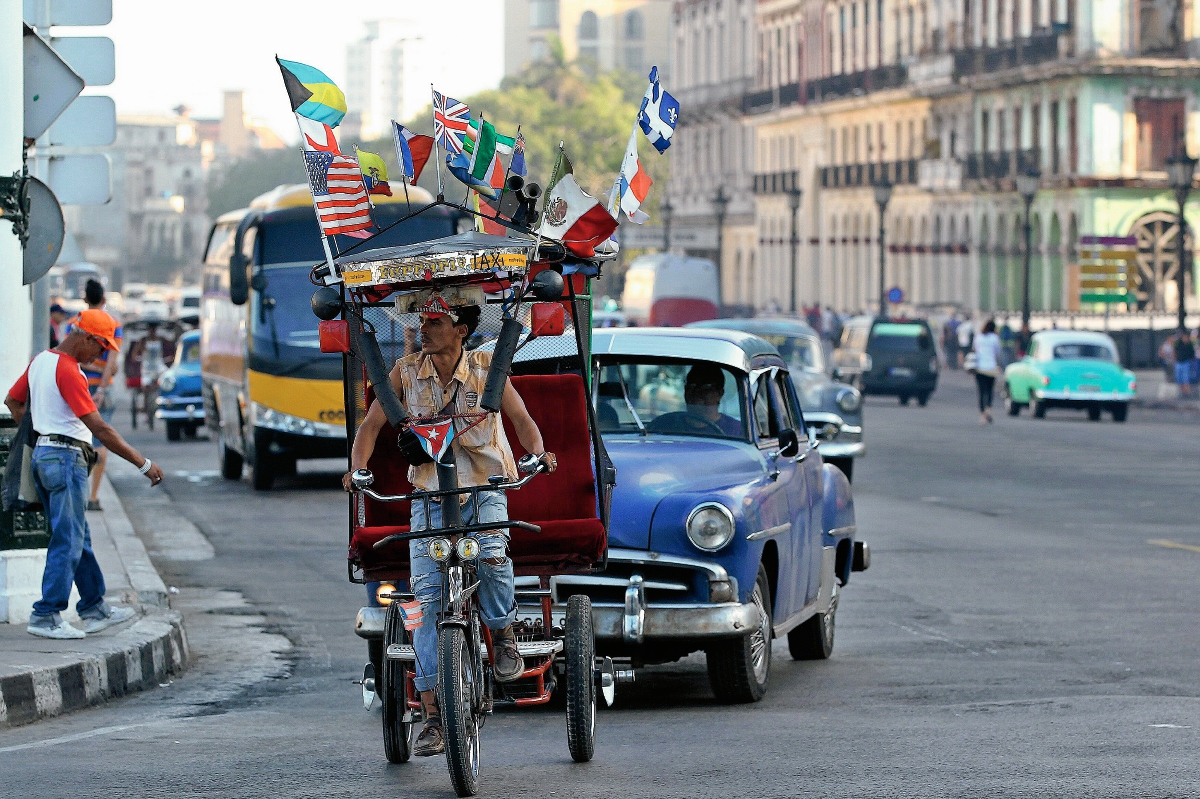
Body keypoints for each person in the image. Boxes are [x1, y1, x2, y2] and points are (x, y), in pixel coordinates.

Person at [343, 297, 557, 757]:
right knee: (425, 604)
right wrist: (357, 469)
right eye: (422, 321)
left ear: (461, 330)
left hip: (484, 489)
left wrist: (539, 453)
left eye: (435, 322)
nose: (424, 330)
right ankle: (434, 717)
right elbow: (370, 426)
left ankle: (502, 637)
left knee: (494, 558)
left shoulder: (486, 368)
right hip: (429, 498)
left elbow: (522, 420)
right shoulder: (404, 371)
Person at [4, 310, 165, 639]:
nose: (100, 356)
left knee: (79, 536)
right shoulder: (69, 371)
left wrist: (40, 433)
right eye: (101, 347)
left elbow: (12, 401)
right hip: (66, 459)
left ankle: (94, 607)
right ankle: (46, 614)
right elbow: (100, 428)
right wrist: (143, 464)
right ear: (87, 338)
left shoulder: (41, 362)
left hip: (46, 456)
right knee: (68, 539)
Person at [69, 280, 122, 511]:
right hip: (103, 389)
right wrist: (101, 387)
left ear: (84, 299)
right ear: (104, 299)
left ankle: (79, 491)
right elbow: (112, 364)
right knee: (101, 440)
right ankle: (93, 496)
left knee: (77, 439)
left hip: (78, 386)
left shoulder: (75, 323)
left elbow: (69, 357)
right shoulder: (114, 326)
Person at [128, 323, 175, 429]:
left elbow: (171, 347)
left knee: (168, 380)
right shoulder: (143, 340)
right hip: (147, 366)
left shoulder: (161, 339)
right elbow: (134, 354)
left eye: (154, 329)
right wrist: (138, 357)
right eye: (151, 329)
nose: (152, 331)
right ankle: (146, 409)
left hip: (159, 365)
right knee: (145, 387)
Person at [683, 365, 742, 436]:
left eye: (706, 386)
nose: (697, 391)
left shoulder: (737, 431)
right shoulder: (671, 423)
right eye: (692, 385)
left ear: (720, 393)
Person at [972, 319, 1003, 425]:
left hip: (979, 368)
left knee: (981, 392)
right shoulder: (995, 338)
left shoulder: (978, 337)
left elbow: (974, 349)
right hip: (991, 368)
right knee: (989, 391)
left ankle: (982, 415)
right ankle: (988, 408)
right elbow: (998, 352)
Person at [1173, 330, 1194, 398]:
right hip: (1178, 363)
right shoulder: (1179, 343)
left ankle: (1186, 392)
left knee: (1186, 378)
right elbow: (1175, 351)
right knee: (1179, 378)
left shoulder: (1190, 345)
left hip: (1186, 363)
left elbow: (1192, 354)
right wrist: (1174, 360)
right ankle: (1181, 392)